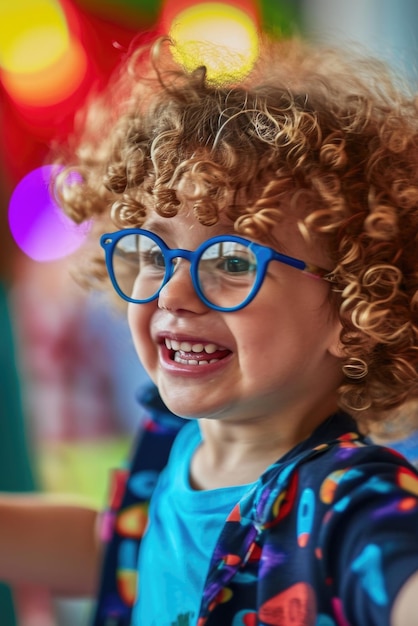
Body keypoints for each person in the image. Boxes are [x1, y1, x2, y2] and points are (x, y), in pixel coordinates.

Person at [2, 31, 418, 626]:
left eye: (232, 262)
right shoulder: (175, 432)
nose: (173, 291)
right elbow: (128, 550)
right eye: (153, 252)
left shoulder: (347, 503)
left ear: (356, 310)